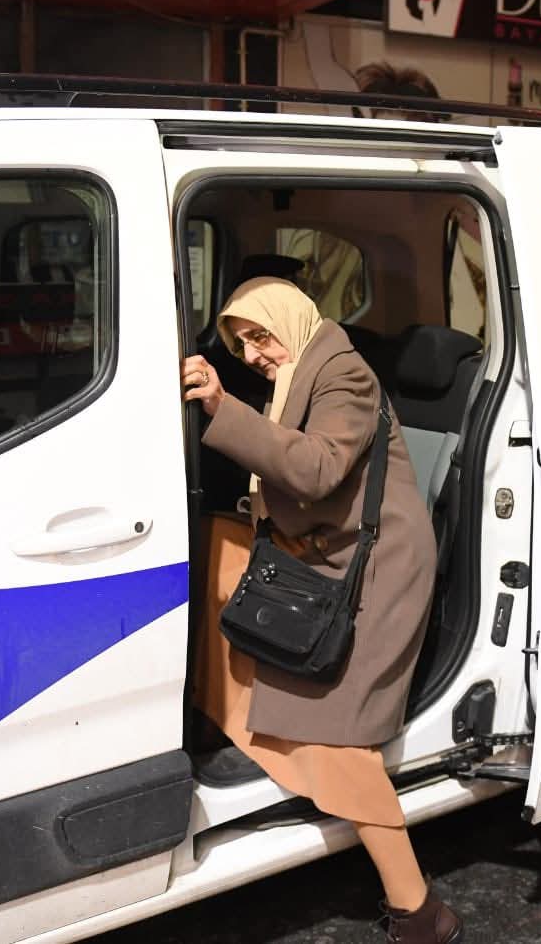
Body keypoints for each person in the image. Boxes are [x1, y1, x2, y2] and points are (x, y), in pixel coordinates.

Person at [180, 278, 460, 944]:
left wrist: (220, 406)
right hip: (329, 551)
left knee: (333, 738)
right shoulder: (298, 369)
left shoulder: (343, 374)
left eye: (260, 336)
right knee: (215, 550)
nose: (253, 355)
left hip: (378, 571)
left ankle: (419, 909)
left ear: (291, 319)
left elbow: (314, 470)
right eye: (240, 345)